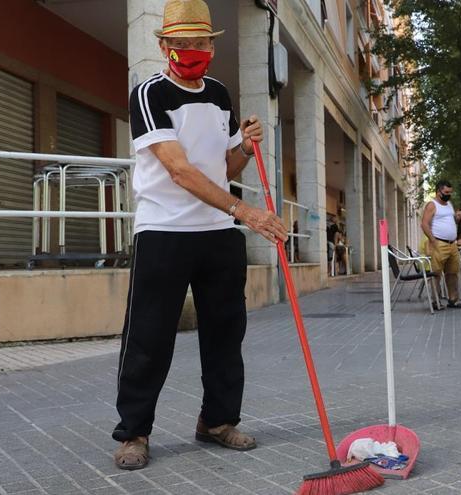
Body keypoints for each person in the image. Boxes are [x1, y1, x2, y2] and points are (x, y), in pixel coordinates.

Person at [112, 0, 288, 471]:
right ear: (165, 45)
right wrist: (244, 210)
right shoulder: (149, 94)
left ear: (212, 45)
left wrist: (247, 148)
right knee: (149, 335)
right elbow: (179, 170)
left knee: (226, 332)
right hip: (164, 231)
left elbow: (224, 168)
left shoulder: (219, 93)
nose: (190, 50)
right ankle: (134, 432)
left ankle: (217, 421)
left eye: (199, 42)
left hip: (217, 233)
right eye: (180, 42)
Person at [421, 179, 461, 309]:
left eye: (450, 192)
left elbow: (451, 222)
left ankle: (453, 299)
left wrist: (457, 219)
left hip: (452, 244)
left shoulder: (449, 204)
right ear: (438, 191)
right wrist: (433, 241)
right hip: (439, 243)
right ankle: (436, 301)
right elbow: (424, 224)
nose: (448, 194)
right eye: (446, 192)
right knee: (436, 273)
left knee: (453, 272)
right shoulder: (431, 205)